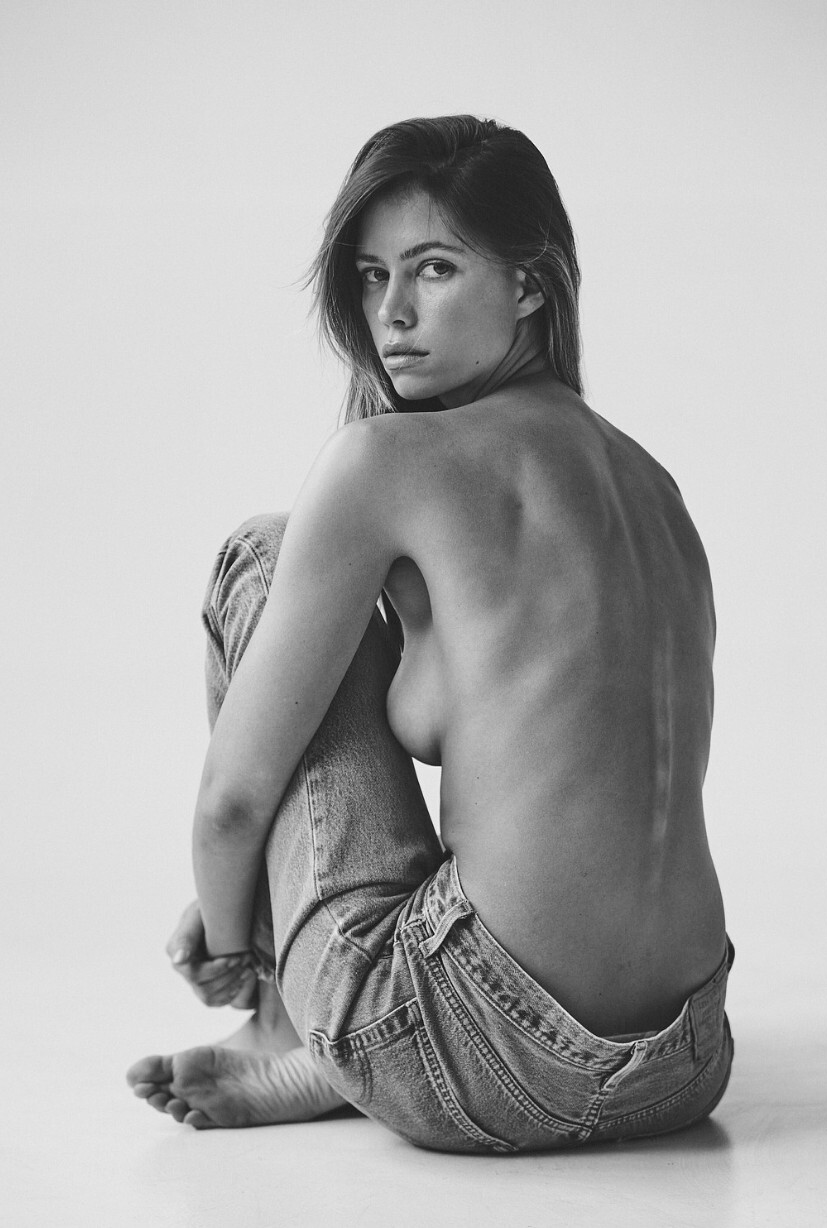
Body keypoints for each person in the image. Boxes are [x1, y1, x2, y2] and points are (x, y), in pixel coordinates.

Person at [127, 115, 733, 1153]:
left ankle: (285, 1028)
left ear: (531, 283)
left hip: (482, 1056)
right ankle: (336, 1042)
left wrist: (238, 943)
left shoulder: (387, 462)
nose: (391, 313)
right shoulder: (655, 487)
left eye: (434, 269)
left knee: (264, 555)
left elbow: (234, 802)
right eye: (371, 277)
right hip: (684, 1060)